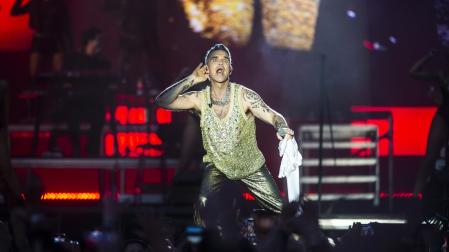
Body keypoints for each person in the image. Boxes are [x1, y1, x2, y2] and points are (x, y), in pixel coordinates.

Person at [155, 44, 295, 233]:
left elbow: (273, 115)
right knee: (203, 208)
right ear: (207, 68)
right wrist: (191, 79)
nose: (220, 64)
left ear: (231, 68)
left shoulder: (244, 95)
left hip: (250, 165)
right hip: (217, 166)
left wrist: (282, 127)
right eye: (215, 60)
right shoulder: (199, 98)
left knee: (282, 209)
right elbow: (162, 101)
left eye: (225, 60)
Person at [47, 27, 110, 157]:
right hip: (76, 103)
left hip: (93, 104)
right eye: (99, 40)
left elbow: (105, 81)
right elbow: (65, 80)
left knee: (99, 112)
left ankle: (92, 151)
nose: (101, 44)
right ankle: (76, 149)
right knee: (72, 111)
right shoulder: (73, 59)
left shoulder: (101, 62)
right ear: (91, 41)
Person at [10, 0, 71, 78]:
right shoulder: (34, 3)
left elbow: (66, 25)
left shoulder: (58, 4)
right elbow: (14, 12)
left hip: (55, 40)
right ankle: (35, 87)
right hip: (39, 39)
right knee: (33, 75)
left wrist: (68, 45)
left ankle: (57, 88)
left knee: (58, 74)